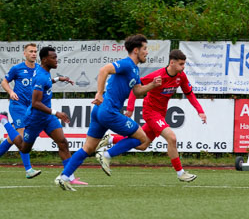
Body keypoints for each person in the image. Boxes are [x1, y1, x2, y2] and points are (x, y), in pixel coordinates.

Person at [56, 34, 162, 191]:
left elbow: (138, 90)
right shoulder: (126, 64)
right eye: (145, 48)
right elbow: (104, 69)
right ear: (135, 50)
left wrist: (152, 85)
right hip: (108, 110)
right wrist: (99, 92)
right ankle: (106, 155)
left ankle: (64, 177)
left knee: (88, 148)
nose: (147, 52)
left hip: (100, 111)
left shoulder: (134, 69)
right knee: (142, 139)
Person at [96, 49, 207, 182]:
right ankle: (180, 173)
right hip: (150, 112)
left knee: (142, 145)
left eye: (184, 64)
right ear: (172, 62)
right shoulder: (158, 75)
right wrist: (130, 108)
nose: (183, 67)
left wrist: (199, 110)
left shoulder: (181, 76)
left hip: (161, 114)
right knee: (171, 138)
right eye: (181, 64)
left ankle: (111, 139)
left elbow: (189, 93)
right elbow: (135, 88)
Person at [0, 46, 87, 185]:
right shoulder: (38, 74)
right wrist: (56, 113)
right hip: (35, 118)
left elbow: (46, 82)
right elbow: (35, 103)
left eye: (56, 57)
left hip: (47, 117)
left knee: (63, 142)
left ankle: (69, 177)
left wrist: (59, 78)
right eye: (54, 58)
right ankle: (5, 122)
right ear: (45, 60)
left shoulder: (42, 71)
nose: (56, 60)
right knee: (24, 147)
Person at [0, 43, 41, 179]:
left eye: (35, 51)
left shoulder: (39, 69)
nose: (34, 54)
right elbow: (4, 82)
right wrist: (11, 92)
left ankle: (4, 120)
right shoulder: (17, 69)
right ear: (25, 54)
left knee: (12, 138)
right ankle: (28, 170)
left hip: (30, 108)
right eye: (31, 51)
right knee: (23, 138)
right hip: (17, 106)